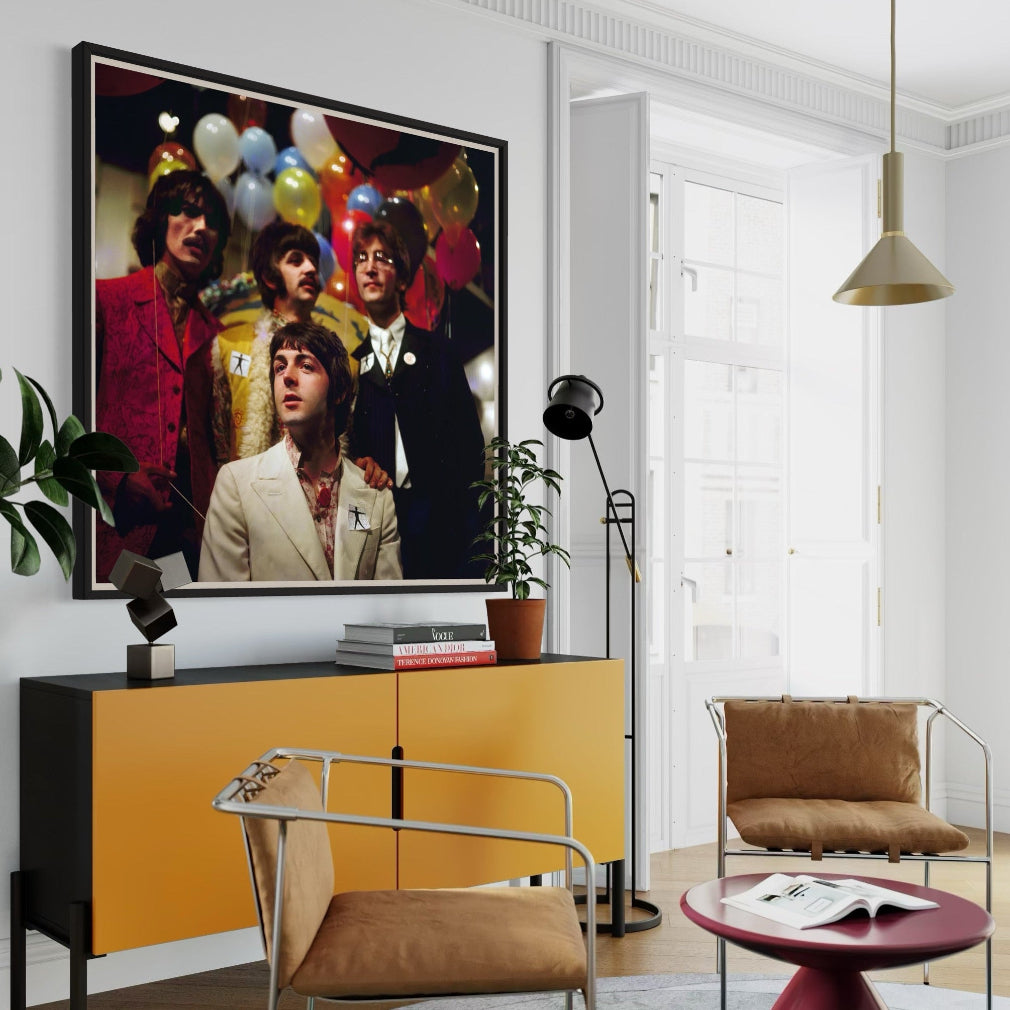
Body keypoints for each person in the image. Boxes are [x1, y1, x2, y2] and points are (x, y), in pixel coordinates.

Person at [186, 220, 390, 522]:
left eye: (312, 261)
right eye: (296, 260)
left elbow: (349, 445)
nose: (310, 269)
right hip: (246, 512)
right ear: (270, 276)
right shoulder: (229, 347)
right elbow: (210, 444)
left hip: (320, 515)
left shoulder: (341, 359)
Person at [94, 170, 230, 583]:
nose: (201, 228)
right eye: (188, 212)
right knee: (119, 639)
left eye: (213, 223)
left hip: (187, 537)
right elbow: (61, 416)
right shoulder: (106, 300)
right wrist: (116, 480)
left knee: (170, 640)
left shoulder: (218, 336)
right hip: (116, 522)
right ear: (159, 219)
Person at [198, 321, 401, 582]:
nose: (288, 377)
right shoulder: (237, 484)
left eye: (306, 366)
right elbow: (222, 608)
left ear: (339, 390)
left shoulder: (376, 494)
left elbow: (387, 605)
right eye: (279, 367)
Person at [347, 219, 486, 580]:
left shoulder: (437, 351)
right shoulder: (348, 360)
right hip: (375, 519)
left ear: (403, 278)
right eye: (361, 258)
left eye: (382, 257)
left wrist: (466, 518)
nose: (370, 266)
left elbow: (470, 444)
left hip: (442, 521)